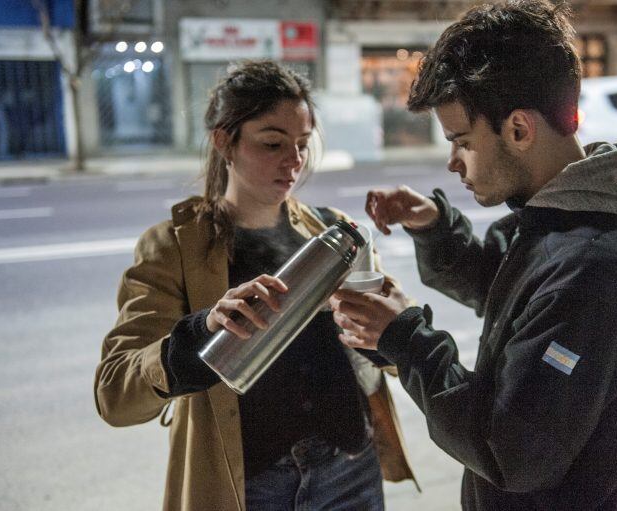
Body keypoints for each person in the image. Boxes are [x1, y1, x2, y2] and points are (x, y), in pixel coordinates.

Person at [329, 1, 617, 509]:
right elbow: (506, 288)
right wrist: (435, 228)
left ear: (519, 130)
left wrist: (406, 338)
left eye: (462, 141)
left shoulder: (595, 266)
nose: (452, 163)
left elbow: (510, 451)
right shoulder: (557, 218)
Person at [94, 60, 415, 511]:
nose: (294, 160)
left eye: (303, 144)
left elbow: (403, 348)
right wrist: (203, 332)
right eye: (273, 143)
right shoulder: (173, 249)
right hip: (250, 484)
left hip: (348, 467)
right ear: (224, 141)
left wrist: (379, 328)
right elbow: (115, 394)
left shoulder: (332, 231)